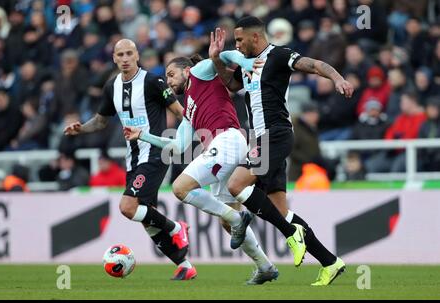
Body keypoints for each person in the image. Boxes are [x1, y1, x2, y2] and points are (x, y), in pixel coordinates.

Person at [210, 17, 353, 285]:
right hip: (261, 140)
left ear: (255, 37)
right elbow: (231, 85)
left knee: (236, 185)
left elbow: (314, 64)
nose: (237, 45)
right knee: (281, 211)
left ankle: (290, 234)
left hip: (275, 135)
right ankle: (330, 262)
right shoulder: (248, 64)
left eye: (240, 40)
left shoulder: (278, 55)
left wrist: (337, 78)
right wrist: (217, 58)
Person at [124, 52, 279, 285]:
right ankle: (264, 266)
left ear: (186, 71)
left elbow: (224, 56)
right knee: (225, 222)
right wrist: (143, 136)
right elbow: (176, 147)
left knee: (180, 188)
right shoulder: (189, 109)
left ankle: (238, 219)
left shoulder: (199, 74)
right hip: (226, 148)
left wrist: (246, 63)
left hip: (226, 140)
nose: (169, 81)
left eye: (171, 74)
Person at [63, 39, 196, 281]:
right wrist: (81, 128)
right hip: (133, 159)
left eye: (129, 53)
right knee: (148, 219)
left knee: (127, 207)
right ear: (114, 58)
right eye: (120, 54)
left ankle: (177, 227)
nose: (125, 58)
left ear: (137, 56)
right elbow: (102, 120)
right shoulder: (111, 86)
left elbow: (181, 112)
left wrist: (178, 143)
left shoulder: (153, 81)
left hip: (155, 153)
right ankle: (185, 265)